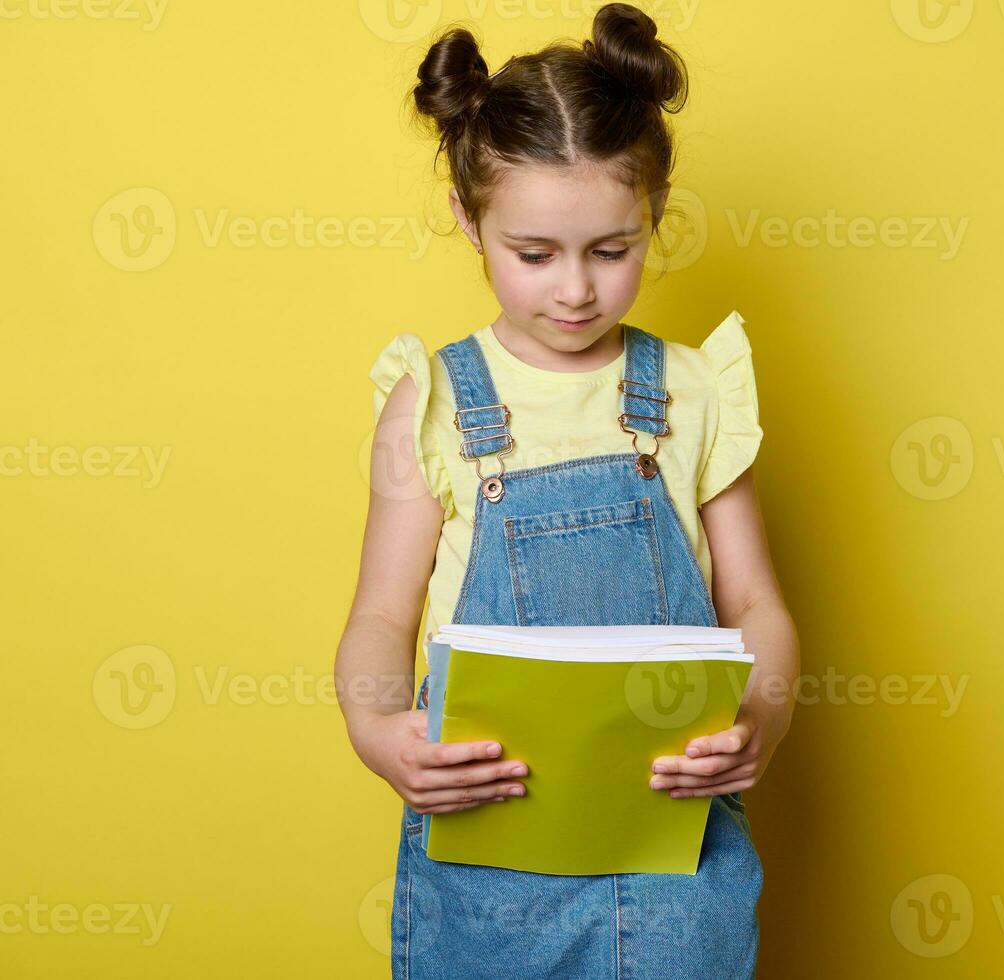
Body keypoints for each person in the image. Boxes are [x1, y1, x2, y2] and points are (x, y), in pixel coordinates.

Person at [333, 6, 800, 978]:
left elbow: (756, 601)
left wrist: (764, 716)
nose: (575, 290)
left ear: (655, 213)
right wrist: (379, 731)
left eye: (611, 249)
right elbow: (381, 613)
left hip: (678, 866)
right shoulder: (434, 405)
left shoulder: (692, 391)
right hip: (490, 867)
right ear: (470, 218)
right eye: (535, 253)